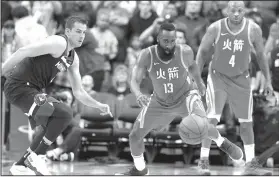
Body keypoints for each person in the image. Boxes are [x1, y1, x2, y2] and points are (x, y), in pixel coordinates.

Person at [115, 22, 243, 176]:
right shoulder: (146, 55)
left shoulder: (185, 51)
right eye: (165, 41)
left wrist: (200, 82)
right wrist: (139, 94)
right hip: (160, 102)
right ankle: (140, 169)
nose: (169, 45)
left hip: (186, 96)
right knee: (134, 135)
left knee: (201, 123)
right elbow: (134, 81)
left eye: (172, 41)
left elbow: (193, 67)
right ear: (158, 39)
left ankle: (223, 143)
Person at [1, 16, 112, 175]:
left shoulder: (73, 59)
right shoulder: (58, 43)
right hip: (19, 86)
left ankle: (21, 165)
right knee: (65, 113)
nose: (82, 36)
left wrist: (98, 104)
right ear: (67, 31)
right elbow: (23, 51)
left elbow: (78, 91)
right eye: (78, 31)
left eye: (84, 32)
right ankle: (38, 156)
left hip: (34, 91)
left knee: (44, 128)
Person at [196, 1, 273, 175]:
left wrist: (267, 80)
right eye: (233, 10)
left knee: (246, 122)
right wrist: (196, 78)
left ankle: (251, 164)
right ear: (226, 11)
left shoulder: (253, 29)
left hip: (241, 78)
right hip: (218, 77)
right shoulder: (215, 28)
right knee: (212, 119)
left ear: (244, 11)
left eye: (240, 10)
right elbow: (201, 52)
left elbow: (261, 56)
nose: (237, 14)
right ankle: (203, 161)